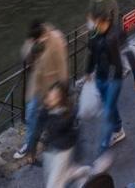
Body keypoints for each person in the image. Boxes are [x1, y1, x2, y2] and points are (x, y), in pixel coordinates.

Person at [85, 0, 135, 153]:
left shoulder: (117, 34)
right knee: (108, 105)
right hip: (100, 76)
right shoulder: (94, 34)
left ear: (101, 20)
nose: (90, 23)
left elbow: (129, 54)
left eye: (93, 20)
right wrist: (88, 71)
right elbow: (92, 54)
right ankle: (118, 129)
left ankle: (104, 145)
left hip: (114, 78)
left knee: (108, 110)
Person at [16, 21, 70, 162]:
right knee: (31, 114)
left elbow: (62, 64)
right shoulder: (33, 39)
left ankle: (53, 142)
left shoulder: (56, 39)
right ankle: (29, 145)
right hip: (36, 86)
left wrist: (63, 88)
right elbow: (24, 55)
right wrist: (32, 48)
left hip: (52, 87)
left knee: (50, 116)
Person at [35, 82, 88, 188]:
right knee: (55, 175)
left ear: (61, 99)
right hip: (51, 148)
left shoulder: (68, 114)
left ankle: (80, 172)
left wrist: (50, 112)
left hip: (63, 149)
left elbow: (56, 128)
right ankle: (82, 172)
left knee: (54, 184)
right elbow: (41, 125)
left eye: (54, 98)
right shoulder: (47, 109)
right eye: (50, 96)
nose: (50, 100)